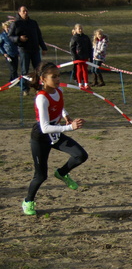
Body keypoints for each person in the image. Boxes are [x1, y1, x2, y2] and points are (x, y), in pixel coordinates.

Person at [22, 62, 89, 216]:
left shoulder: (58, 90)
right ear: (43, 79)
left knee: (81, 155)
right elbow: (45, 127)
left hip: (56, 133)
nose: (58, 79)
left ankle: (62, 173)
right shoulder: (41, 98)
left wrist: (65, 116)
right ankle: (28, 201)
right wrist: (70, 127)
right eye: (54, 77)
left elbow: (59, 106)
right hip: (41, 137)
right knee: (41, 176)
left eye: (59, 76)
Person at [8, 6, 48, 95]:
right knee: (24, 71)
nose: (25, 12)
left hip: (35, 50)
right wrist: (19, 38)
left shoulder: (33, 23)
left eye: (26, 11)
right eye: (23, 11)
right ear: (19, 13)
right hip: (24, 50)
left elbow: (39, 36)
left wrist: (44, 47)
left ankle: (38, 87)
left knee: (38, 69)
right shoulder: (15, 24)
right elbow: (10, 37)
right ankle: (25, 88)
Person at [69, 24, 93, 88]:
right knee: (79, 70)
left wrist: (90, 57)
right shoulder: (74, 38)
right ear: (76, 30)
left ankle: (86, 83)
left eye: (81, 28)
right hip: (78, 57)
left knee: (85, 70)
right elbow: (72, 48)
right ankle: (80, 83)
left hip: (85, 56)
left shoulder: (86, 37)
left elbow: (90, 47)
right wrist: (75, 58)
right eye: (78, 29)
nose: (80, 30)